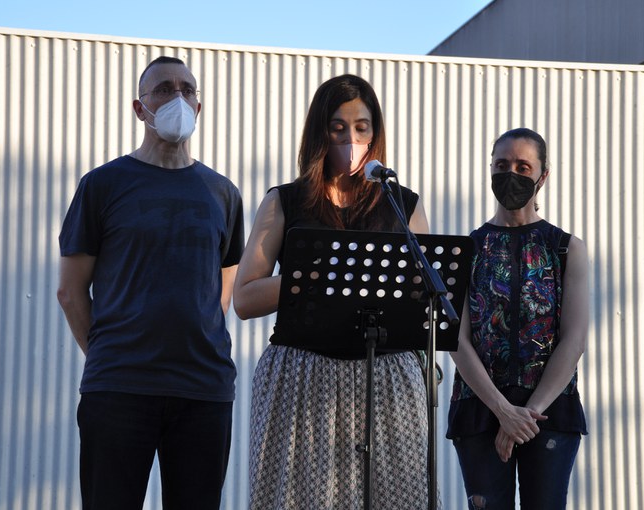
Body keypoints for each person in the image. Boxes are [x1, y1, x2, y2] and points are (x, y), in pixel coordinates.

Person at [233, 74, 437, 509]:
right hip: (303, 377)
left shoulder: (403, 203)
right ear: (320, 132)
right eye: (338, 127)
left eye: (362, 127)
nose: (351, 137)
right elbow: (245, 298)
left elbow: (425, 301)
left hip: (387, 380)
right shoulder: (285, 201)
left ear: (376, 134)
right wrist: (314, 274)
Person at [57, 56, 245, 510]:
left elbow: (222, 286)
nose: (177, 98)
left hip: (203, 392)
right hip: (118, 389)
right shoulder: (102, 185)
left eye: (187, 89)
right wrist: (112, 353)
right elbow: (70, 290)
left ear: (199, 107)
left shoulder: (222, 193)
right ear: (140, 108)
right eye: (163, 89)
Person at [446, 128, 589, 509]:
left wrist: (526, 416)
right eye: (502, 164)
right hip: (480, 408)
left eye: (523, 166)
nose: (511, 173)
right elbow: (457, 341)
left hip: (549, 412)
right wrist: (502, 411)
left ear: (543, 176)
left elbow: (573, 340)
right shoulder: (467, 249)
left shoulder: (565, 247)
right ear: (490, 169)